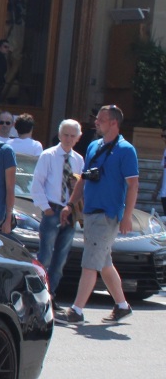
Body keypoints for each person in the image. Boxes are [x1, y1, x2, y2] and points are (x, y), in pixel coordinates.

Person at [59, 105, 139, 324]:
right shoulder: (94, 146)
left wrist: (127, 216)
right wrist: (70, 204)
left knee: (90, 263)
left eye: (101, 120)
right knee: (103, 262)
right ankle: (122, 305)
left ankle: (76, 310)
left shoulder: (126, 150)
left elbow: (133, 185)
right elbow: (83, 178)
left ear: (113, 122)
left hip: (107, 214)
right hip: (91, 213)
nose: (96, 122)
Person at [31, 119, 83, 293]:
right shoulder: (48, 155)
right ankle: (38, 293)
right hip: (52, 208)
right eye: (65, 135)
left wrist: (75, 208)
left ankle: (51, 294)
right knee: (45, 256)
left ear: (78, 138)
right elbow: (37, 183)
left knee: (60, 258)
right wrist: (46, 208)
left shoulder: (78, 160)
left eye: (72, 136)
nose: (68, 139)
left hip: (70, 211)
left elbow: (80, 186)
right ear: (60, 135)